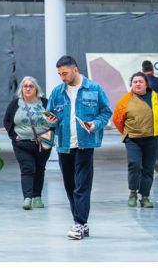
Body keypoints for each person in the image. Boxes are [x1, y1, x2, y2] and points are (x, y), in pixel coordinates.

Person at [46, 55, 113, 241]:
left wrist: (95, 124)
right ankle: (82, 224)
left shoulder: (94, 89)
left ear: (75, 70)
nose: (62, 77)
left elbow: (106, 112)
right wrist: (50, 120)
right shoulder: (57, 92)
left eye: (65, 73)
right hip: (64, 145)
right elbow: (50, 116)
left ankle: (78, 222)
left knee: (82, 185)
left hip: (85, 144)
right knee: (70, 185)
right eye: (60, 74)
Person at [2, 77, 56, 209]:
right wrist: (14, 136)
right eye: (25, 86)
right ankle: (27, 198)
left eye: (31, 86)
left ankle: (37, 197)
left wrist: (51, 132)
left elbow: (54, 120)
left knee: (39, 169)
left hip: (43, 143)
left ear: (36, 89)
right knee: (27, 169)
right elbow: (7, 120)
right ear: (21, 89)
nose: (27, 88)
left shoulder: (44, 103)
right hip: (22, 143)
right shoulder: (15, 104)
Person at [112, 72, 158, 208]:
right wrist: (127, 132)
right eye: (135, 82)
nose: (138, 84)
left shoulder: (156, 97)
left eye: (141, 81)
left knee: (148, 168)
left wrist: (155, 128)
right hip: (132, 139)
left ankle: (145, 197)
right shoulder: (125, 100)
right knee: (134, 164)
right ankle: (133, 193)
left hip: (151, 139)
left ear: (146, 84)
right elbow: (117, 119)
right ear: (131, 84)